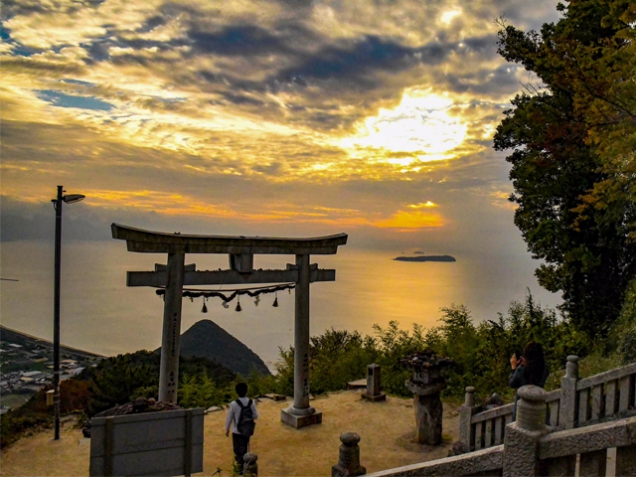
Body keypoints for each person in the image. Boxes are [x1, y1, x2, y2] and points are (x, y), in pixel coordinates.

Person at [509, 342, 549, 420]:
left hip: (524, 409)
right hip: (540, 405)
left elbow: (512, 383)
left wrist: (514, 368)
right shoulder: (544, 368)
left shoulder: (522, 370)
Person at [225, 382, 258, 473]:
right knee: (245, 448)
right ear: (246, 391)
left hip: (237, 431)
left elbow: (229, 417)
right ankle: (246, 467)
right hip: (247, 430)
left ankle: (240, 469)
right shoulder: (251, 402)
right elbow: (256, 416)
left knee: (238, 450)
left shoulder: (234, 404)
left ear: (236, 392)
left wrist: (227, 429)